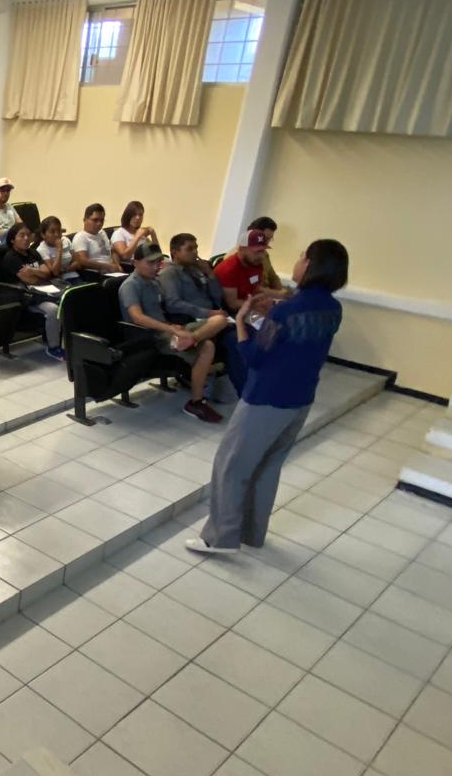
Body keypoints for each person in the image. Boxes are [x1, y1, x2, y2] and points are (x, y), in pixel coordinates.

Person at [187, 240, 349, 555]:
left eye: (302, 256)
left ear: (311, 265)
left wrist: (241, 321)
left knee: (231, 464)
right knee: (267, 467)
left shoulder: (288, 309)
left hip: (266, 398)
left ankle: (220, 538)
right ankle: (251, 533)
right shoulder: (332, 308)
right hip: (300, 399)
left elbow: (255, 356)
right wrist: (266, 319)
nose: (297, 261)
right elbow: (291, 345)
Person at [118, 244, 228, 424]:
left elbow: (165, 307)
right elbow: (138, 318)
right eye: (150, 263)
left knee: (220, 321)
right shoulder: (130, 286)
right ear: (135, 263)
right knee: (207, 345)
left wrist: (174, 326)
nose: (156, 266)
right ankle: (196, 401)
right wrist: (171, 329)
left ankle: (190, 341)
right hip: (152, 337)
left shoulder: (154, 282)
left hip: (169, 329)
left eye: (158, 262)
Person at [159, 232, 245, 395]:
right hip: (193, 319)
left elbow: (217, 296)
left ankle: (239, 382)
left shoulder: (195, 270)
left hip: (213, 316)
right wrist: (209, 313)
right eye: (189, 249)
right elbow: (173, 304)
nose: (195, 252)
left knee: (243, 333)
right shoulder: (169, 273)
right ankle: (242, 388)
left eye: (196, 248)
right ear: (175, 252)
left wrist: (210, 274)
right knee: (233, 339)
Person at [0, 222, 65, 360]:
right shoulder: (11, 258)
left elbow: (47, 273)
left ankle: (64, 341)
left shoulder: (33, 252)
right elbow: (30, 280)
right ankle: (53, 347)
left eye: (28, 235)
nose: (26, 238)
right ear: (12, 239)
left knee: (66, 301)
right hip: (26, 296)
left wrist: (32, 270)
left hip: (44, 291)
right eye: (21, 235)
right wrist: (38, 273)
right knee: (53, 310)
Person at [215, 229, 287, 312]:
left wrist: (280, 295)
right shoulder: (229, 269)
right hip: (232, 312)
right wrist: (257, 305)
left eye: (263, 251)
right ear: (241, 249)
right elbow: (232, 304)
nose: (261, 256)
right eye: (257, 251)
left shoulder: (255, 263)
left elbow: (256, 288)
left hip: (249, 304)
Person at [223, 217, 288, 300]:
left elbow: (273, 277)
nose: (267, 243)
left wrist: (282, 293)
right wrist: (277, 294)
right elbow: (251, 287)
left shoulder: (263, 253)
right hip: (252, 299)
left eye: (269, 239)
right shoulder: (236, 258)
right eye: (265, 238)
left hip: (267, 296)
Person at [110, 201, 158, 273]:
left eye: (140, 215)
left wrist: (153, 234)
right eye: (134, 214)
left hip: (150, 265)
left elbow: (157, 253)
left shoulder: (141, 233)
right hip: (133, 268)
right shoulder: (119, 233)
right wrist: (137, 237)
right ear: (128, 215)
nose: (138, 218)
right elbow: (125, 256)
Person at [73, 203, 117, 273]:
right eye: (95, 220)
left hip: (111, 271)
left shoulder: (102, 233)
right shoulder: (80, 237)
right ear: (85, 220)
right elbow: (83, 261)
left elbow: (111, 251)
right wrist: (108, 267)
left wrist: (117, 265)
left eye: (102, 220)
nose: (99, 223)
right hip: (95, 273)